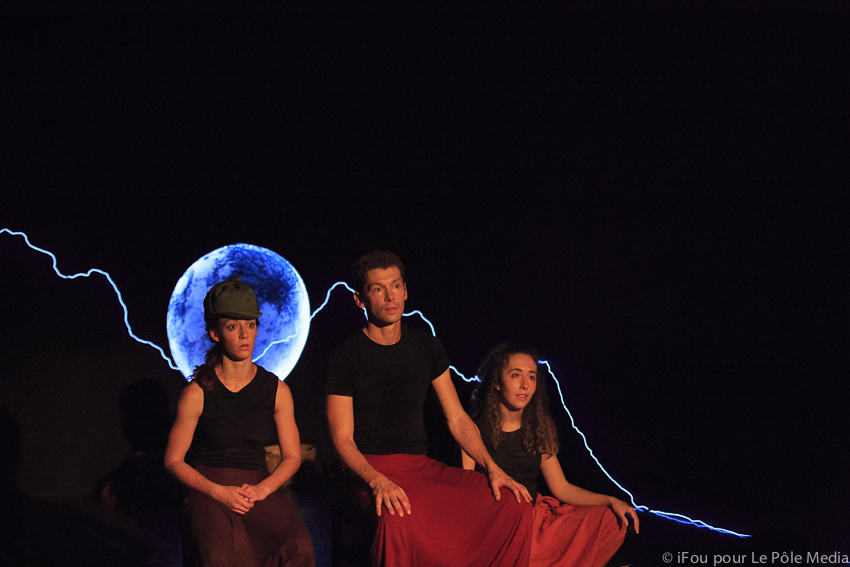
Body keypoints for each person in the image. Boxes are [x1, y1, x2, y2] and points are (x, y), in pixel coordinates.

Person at [325, 251, 533, 567]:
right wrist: (377, 480)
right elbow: (342, 439)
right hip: (364, 471)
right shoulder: (345, 356)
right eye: (377, 289)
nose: (389, 295)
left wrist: (492, 467)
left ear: (406, 291)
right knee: (396, 516)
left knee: (510, 503)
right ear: (360, 299)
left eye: (395, 286)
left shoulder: (426, 347)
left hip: (419, 468)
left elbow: (457, 417)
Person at [164, 277, 314, 567]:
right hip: (209, 486)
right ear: (215, 333)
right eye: (233, 326)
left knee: (297, 546)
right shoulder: (198, 393)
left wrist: (263, 489)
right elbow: (173, 461)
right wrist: (218, 492)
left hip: (256, 486)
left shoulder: (277, 391)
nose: (245, 335)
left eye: (251, 325)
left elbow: (293, 456)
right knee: (221, 557)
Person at [462, 343, 637, 567]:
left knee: (612, 519)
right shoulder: (474, 430)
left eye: (532, 377)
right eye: (516, 375)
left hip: (533, 521)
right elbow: (465, 490)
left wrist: (611, 500)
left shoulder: (538, 427)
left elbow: (561, 488)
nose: (525, 385)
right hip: (497, 523)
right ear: (496, 381)